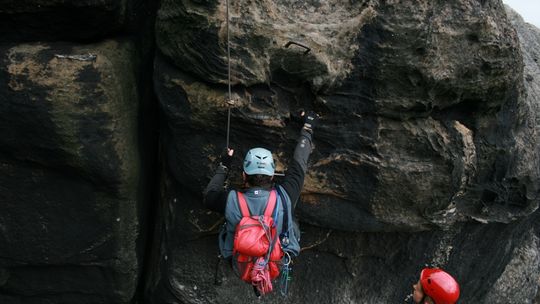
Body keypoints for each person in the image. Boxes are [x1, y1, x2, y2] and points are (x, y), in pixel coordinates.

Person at [203, 111, 318, 291]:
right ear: (272, 175)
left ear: (243, 175)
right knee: (291, 218)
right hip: (275, 262)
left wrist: (224, 165)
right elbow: (299, 164)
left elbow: (209, 196)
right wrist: (308, 127)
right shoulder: (286, 195)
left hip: (239, 263)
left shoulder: (231, 199)